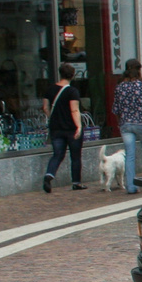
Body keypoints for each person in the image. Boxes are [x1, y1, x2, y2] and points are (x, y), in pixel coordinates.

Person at [113, 58, 142, 195]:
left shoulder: (120, 87)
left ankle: (131, 186)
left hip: (126, 124)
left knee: (130, 155)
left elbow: (116, 109)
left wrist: (121, 122)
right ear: (139, 69)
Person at [42, 63, 85, 192]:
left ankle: (49, 175)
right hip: (71, 128)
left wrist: (52, 117)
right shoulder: (72, 91)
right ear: (72, 75)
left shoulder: (50, 89)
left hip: (56, 128)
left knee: (57, 154)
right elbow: (74, 110)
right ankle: (76, 182)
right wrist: (79, 126)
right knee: (75, 156)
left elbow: (45, 107)